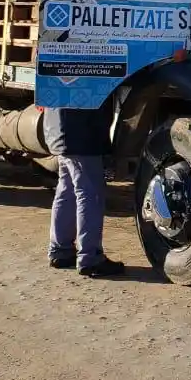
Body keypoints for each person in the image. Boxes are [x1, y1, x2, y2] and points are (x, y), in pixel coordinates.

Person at [43, 106, 126, 277]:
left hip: (60, 128)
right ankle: (90, 257)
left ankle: (61, 250)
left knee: (67, 191)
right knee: (89, 193)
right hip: (82, 132)